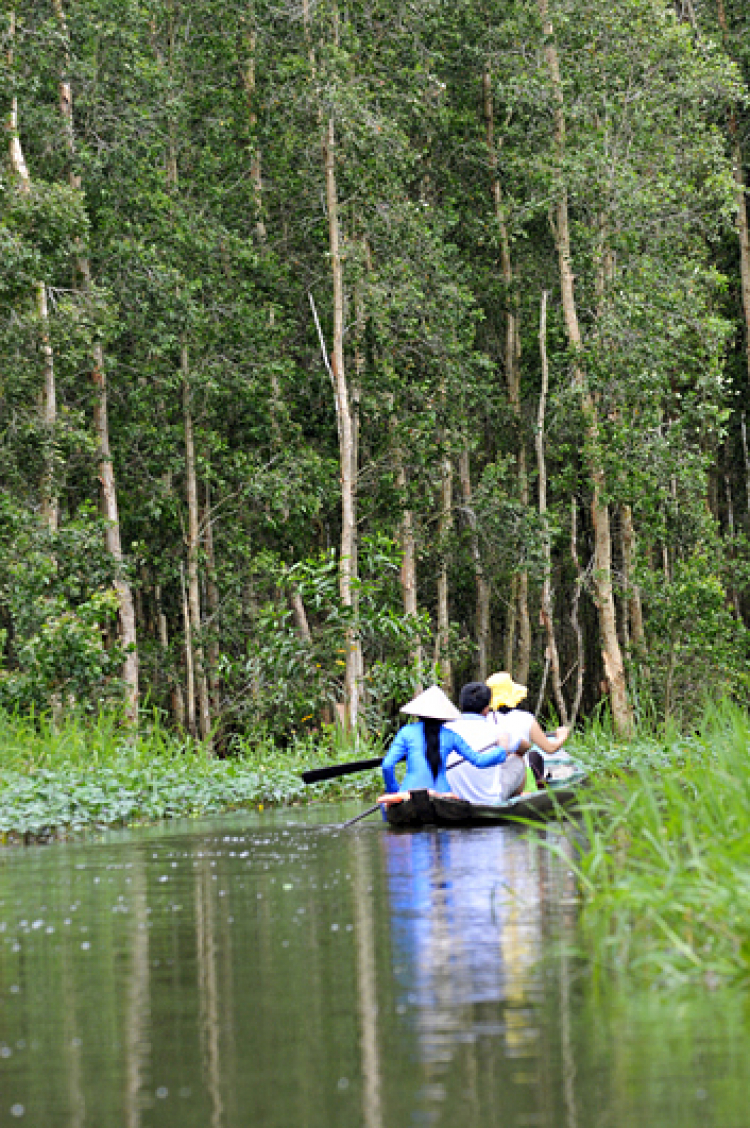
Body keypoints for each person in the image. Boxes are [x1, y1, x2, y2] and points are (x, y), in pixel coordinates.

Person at [446, 674, 570, 805]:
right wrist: (562, 735)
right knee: (518, 760)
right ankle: (512, 801)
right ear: (486, 706)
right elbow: (546, 748)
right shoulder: (505, 726)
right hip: (490, 797)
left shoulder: (446, 728)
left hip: (455, 795)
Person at [378, 685, 511, 803]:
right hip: (442, 795)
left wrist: (394, 792)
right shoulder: (451, 736)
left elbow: (387, 765)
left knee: (387, 808)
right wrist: (502, 751)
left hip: (408, 793)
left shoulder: (406, 732)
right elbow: (479, 761)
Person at [445, 682, 527, 803]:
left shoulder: (445, 729)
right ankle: (510, 803)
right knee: (518, 759)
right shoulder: (496, 729)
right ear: (486, 709)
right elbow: (525, 747)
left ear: (460, 705)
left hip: (454, 798)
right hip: (490, 800)